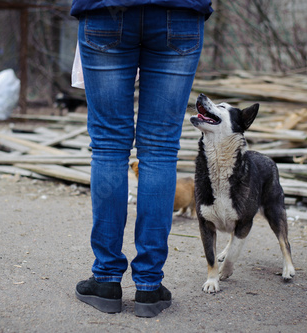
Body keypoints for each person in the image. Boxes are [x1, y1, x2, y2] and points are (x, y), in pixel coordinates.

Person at [70, 1, 213, 318]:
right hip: (179, 12)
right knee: (160, 148)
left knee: (109, 144)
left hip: (107, 9)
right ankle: (149, 286)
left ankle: (106, 279)